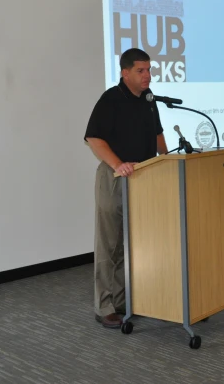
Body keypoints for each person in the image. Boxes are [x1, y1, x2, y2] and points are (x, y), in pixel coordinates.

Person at [83, 48, 168, 328]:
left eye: (149, 70)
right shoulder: (111, 99)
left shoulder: (149, 100)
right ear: (125, 73)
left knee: (131, 244)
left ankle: (122, 300)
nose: (147, 76)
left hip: (144, 178)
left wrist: (168, 162)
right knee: (109, 244)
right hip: (115, 178)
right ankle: (104, 305)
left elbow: (158, 135)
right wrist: (119, 164)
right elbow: (94, 138)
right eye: (141, 71)